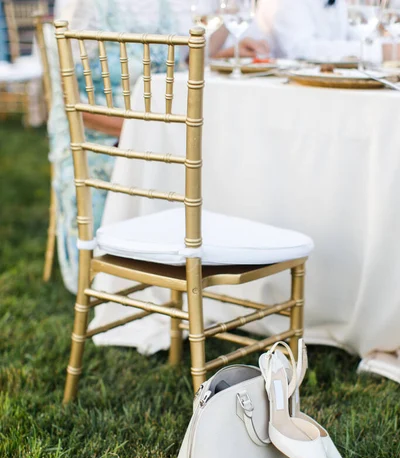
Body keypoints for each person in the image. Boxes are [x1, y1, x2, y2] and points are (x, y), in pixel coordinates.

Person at [49, 0, 269, 293]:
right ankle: (147, 277)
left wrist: (229, 49)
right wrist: (144, 128)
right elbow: (70, 99)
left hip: (162, 124)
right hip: (97, 131)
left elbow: (183, 65)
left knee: (223, 151)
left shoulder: (167, 6)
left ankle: (214, 273)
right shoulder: (84, 6)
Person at [256, 0, 387, 62]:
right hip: (295, 91)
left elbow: (354, 34)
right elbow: (301, 50)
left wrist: (388, 45)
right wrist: (379, 51)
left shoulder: (338, 3)